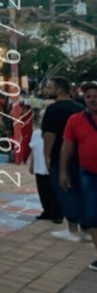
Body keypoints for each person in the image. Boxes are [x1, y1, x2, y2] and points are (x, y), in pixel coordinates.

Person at [42, 77, 86, 242]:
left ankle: (72, 228)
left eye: (50, 87)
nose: (47, 91)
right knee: (80, 191)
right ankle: (86, 228)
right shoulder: (80, 108)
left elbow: (49, 135)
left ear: (59, 89)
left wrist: (46, 155)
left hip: (60, 156)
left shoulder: (54, 109)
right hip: (79, 155)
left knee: (64, 190)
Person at [59, 82, 97, 271]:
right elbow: (67, 146)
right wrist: (63, 172)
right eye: (88, 96)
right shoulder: (75, 120)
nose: (92, 100)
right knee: (91, 216)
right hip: (89, 174)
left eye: (95, 96)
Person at [27, 104, 60, 222]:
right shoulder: (36, 133)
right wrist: (31, 164)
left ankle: (57, 213)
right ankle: (47, 211)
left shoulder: (54, 133)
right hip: (39, 167)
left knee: (53, 191)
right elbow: (33, 149)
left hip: (50, 166)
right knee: (43, 191)